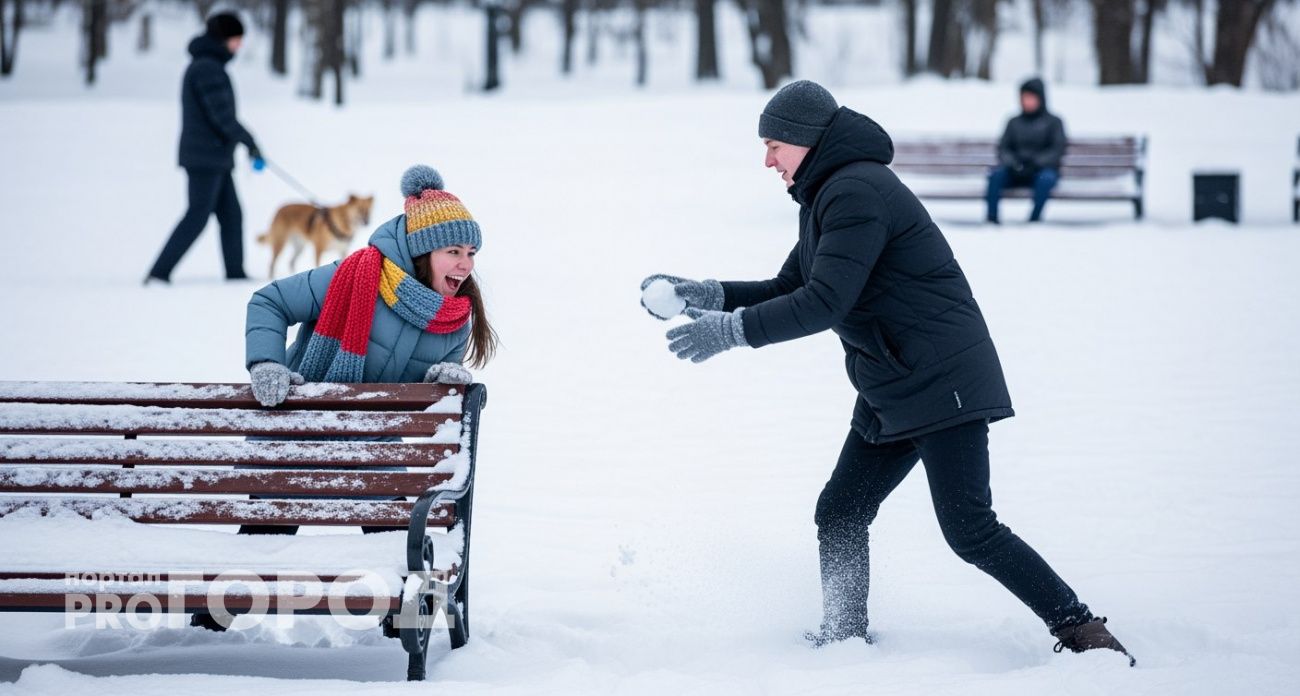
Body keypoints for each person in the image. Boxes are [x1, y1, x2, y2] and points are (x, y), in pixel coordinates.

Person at [641, 81, 1133, 664]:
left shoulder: (855, 191)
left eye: (774, 144)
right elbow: (790, 286)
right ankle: (844, 636)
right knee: (842, 510)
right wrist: (714, 294)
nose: (767, 159)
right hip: (892, 382)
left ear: (805, 140)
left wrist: (735, 332)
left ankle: (1083, 631)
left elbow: (825, 301)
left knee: (969, 529)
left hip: (940, 378)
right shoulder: (828, 192)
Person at [191, 165, 497, 632]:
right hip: (302, 438)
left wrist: (443, 387)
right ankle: (205, 630)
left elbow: (421, 416)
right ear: (421, 251)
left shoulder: (455, 317)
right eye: (453, 251)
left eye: (471, 253)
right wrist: (267, 364)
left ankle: (413, 635)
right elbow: (268, 301)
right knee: (260, 540)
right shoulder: (355, 275)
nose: (465, 265)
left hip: (374, 453)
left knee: (404, 543)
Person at [146, 12, 260, 284]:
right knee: (197, 215)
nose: (239, 46)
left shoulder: (208, 65)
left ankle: (235, 274)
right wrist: (249, 141)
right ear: (223, 38)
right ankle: (159, 273)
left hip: (214, 156)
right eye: (236, 39)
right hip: (205, 157)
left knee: (232, 215)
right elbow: (221, 116)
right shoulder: (207, 68)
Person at [985, 78, 1067, 224]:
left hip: (1041, 170)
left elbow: (1057, 149)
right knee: (995, 177)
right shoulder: (1013, 122)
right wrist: (1013, 163)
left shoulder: (1054, 122)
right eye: (1024, 97)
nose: (1027, 101)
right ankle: (992, 219)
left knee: (1046, 180)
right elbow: (1003, 148)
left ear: (1040, 98)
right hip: (1015, 169)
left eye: (1031, 97)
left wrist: (1035, 163)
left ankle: (1034, 220)